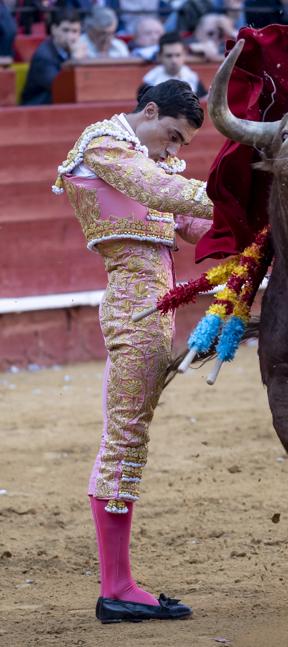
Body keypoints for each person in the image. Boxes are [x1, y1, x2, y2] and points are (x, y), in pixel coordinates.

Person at [52, 80, 214, 623]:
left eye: (180, 146)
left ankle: (119, 584)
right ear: (148, 111)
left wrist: (264, 210)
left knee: (130, 437)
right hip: (134, 306)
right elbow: (164, 193)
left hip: (157, 307)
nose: (172, 152)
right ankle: (116, 588)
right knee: (124, 439)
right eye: (171, 136)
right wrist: (232, 189)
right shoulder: (104, 145)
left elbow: (191, 224)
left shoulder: (147, 159)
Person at [21, 8, 83, 105]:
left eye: (75, 31)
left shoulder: (74, 50)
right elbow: (60, 88)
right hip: (36, 109)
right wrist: (76, 60)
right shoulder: (43, 56)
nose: (71, 37)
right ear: (54, 29)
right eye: (65, 30)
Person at [141, 31, 207, 98]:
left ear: (184, 55)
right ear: (159, 56)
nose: (174, 61)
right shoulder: (149, 82)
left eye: (178, 55)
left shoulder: (193, 80)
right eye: (169, 56)